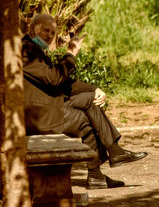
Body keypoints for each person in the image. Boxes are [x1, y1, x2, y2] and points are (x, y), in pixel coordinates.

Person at [22, 13, 147, 189]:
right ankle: (101, 169)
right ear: (32, 28)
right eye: (45, 30)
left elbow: (62, 84)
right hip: (38, 117)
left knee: (89, 100)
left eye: (52, 33)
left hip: (50, 107)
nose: (49, 36)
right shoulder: (25, 51)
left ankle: (111, 157)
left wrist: (94, 89)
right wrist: (71, 54)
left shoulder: (35, 50)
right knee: (85, 122)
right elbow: (54, 78)